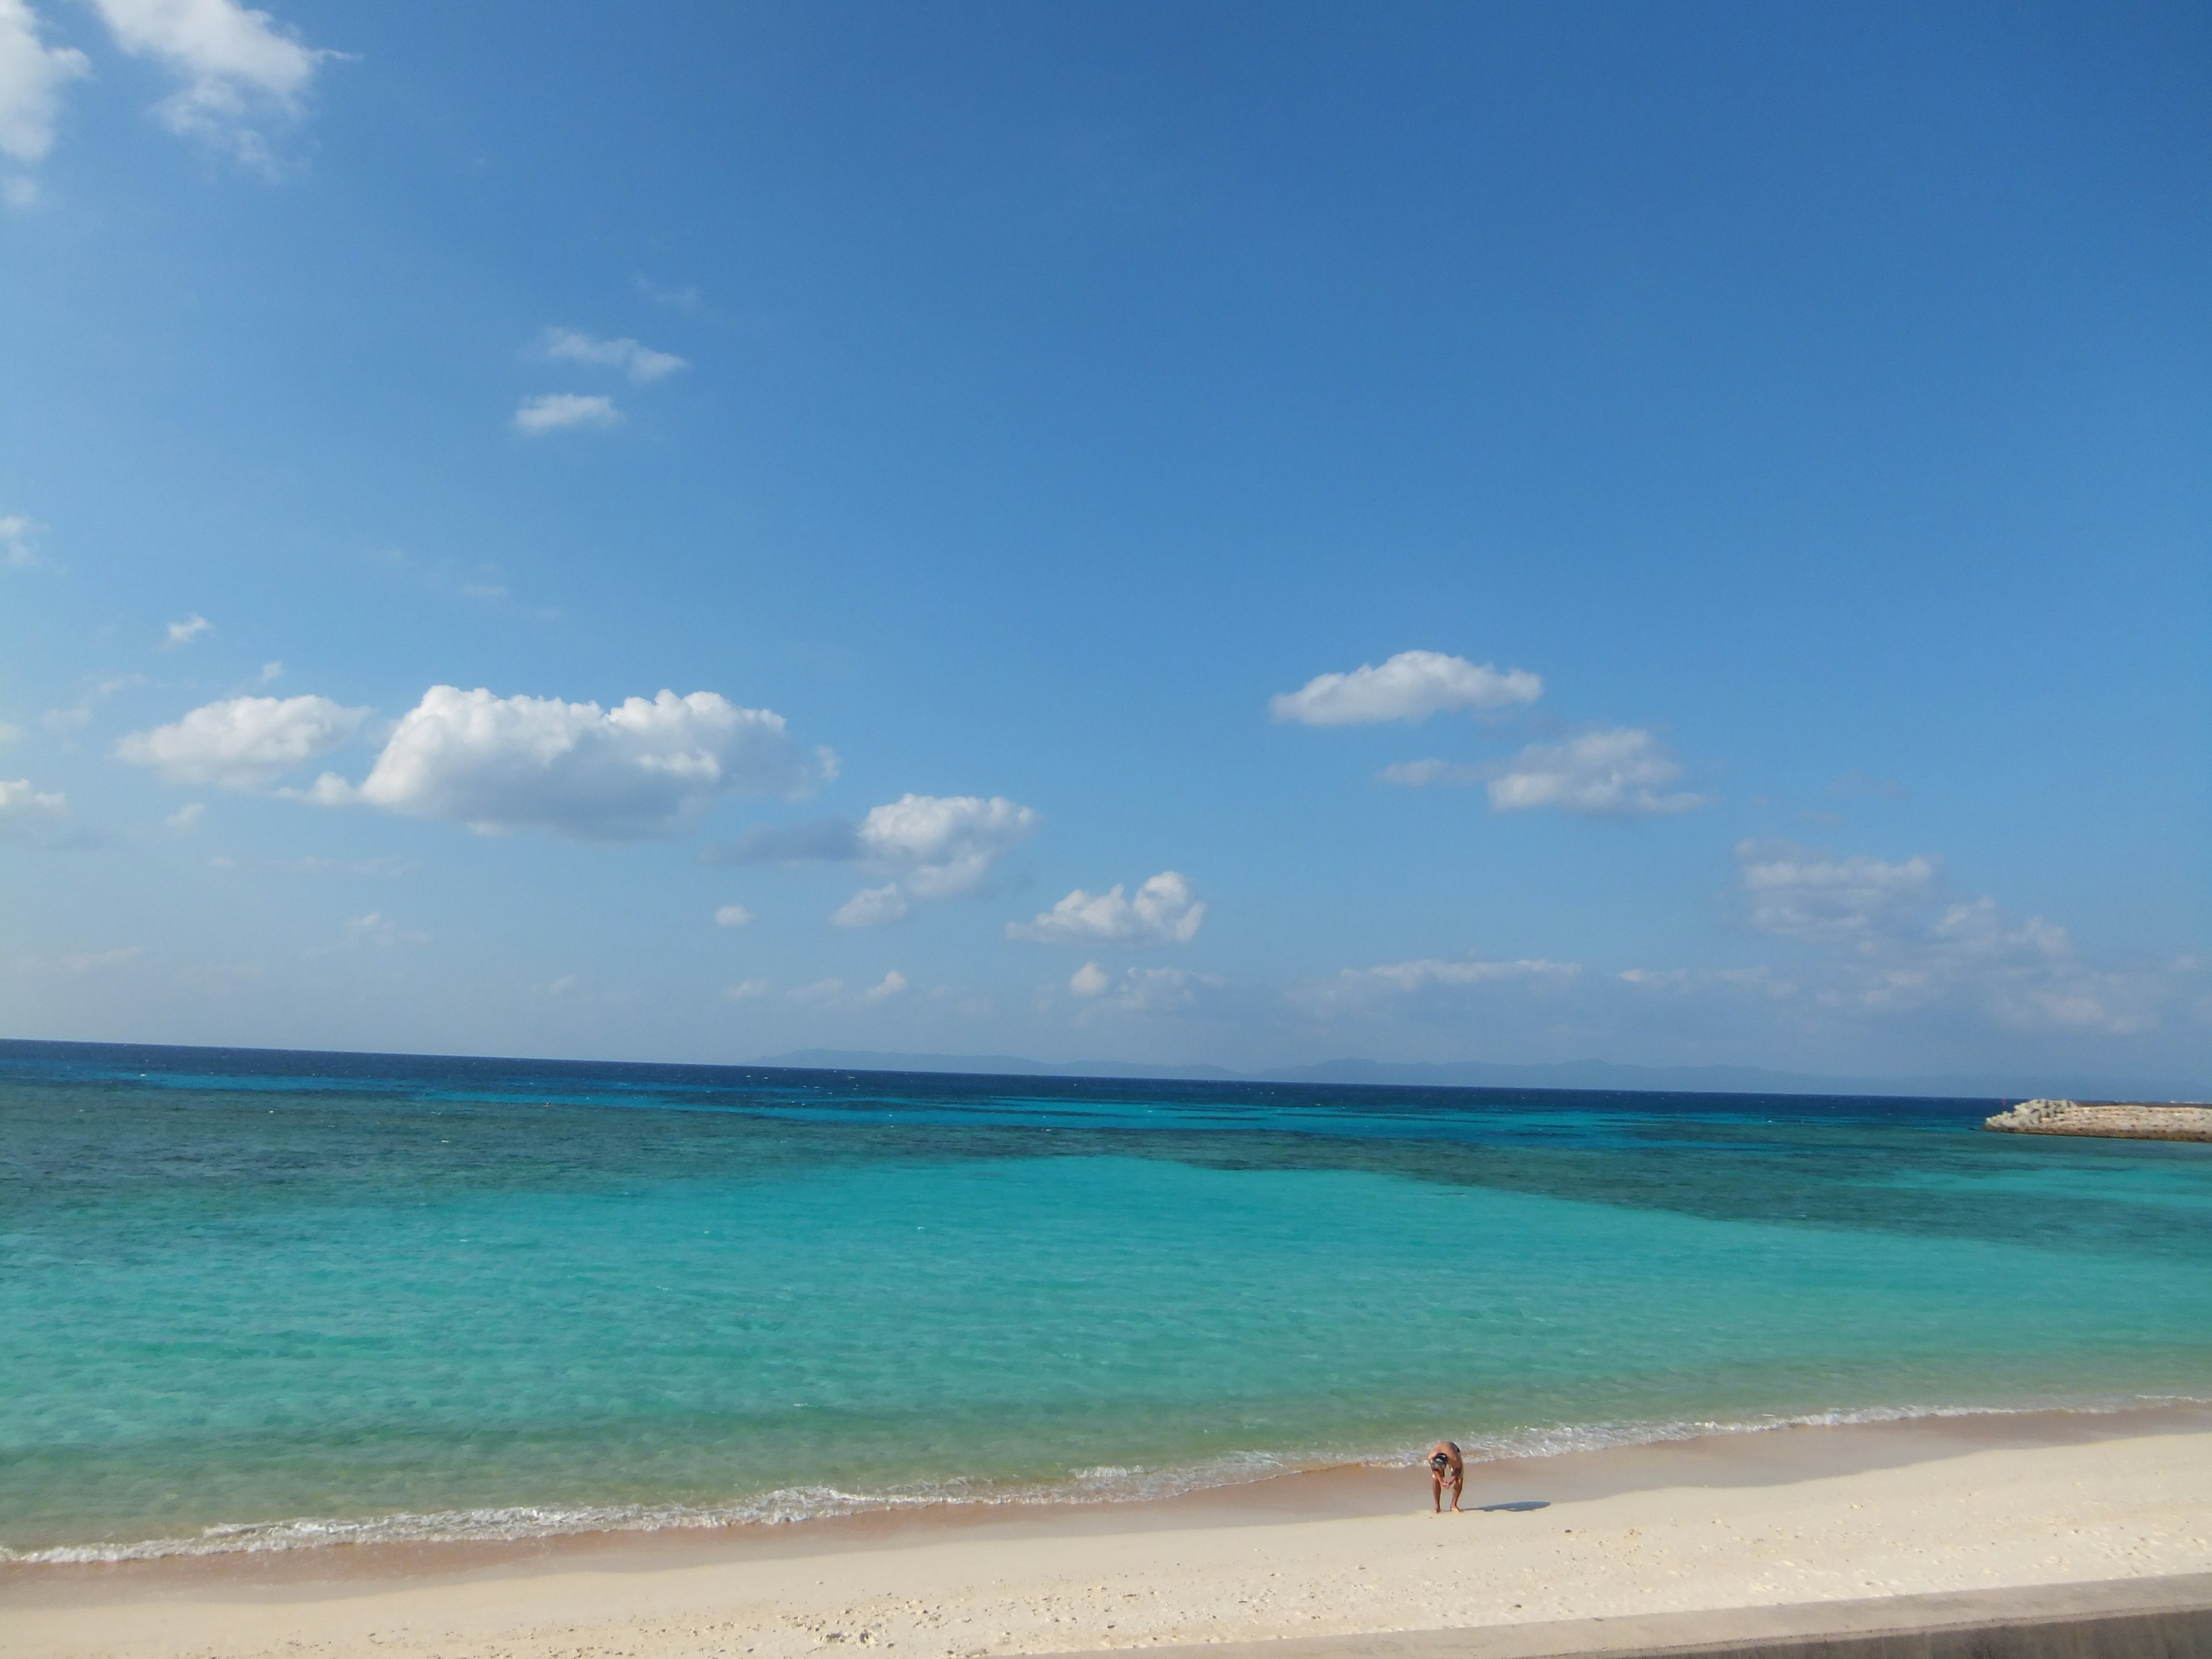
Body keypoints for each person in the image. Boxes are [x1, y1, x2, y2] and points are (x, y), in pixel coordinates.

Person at [1426, 1440, 1464, 1512]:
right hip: (1439, 1451)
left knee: (1459, 1479)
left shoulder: (1454, 1458)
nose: (1440, 1470)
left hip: (1453, 1450)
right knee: (1435, 1479)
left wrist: (1451, 1480)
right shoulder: (1431, 1458)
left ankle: (1454, 1505)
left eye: (1441, 1468)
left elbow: (1459, 1469)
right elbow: (1435, 1470)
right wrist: (1441, 1481)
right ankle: (1437, 1506)